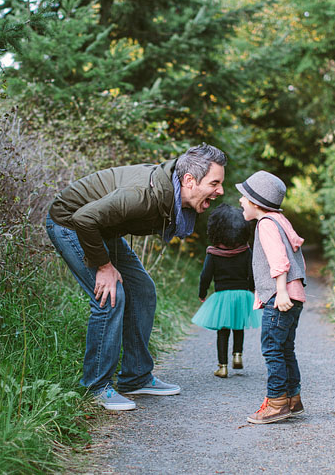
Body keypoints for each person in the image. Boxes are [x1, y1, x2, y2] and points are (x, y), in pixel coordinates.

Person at [45, 144, 227, 411]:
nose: (220, 190)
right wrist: (104, 266)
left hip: (100, 228)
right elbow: (84, 219)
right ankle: (96, 387)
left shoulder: (171, 192)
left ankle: (136, 376)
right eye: (215, 183)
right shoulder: (143, 195)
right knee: (111, 295)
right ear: (189, 180)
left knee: (142, 290)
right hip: (71, 223)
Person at [237, 170, 307, 424]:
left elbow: (279, 259)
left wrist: (280, 291)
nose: (241, 202)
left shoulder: (266, 224)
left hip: (280, 297)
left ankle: (277, 403)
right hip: (293, 295)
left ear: (256, 202)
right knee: (285, 348)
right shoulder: (280, 220)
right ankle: (292, 399)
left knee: (272, 349)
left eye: (243, 197)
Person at [191, 204, 260, 378]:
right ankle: (238, 355)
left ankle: (222, 366)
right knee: (239, 326)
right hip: (242, 293)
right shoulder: (245, 251)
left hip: (222, 295)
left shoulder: (213, 253)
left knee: (222, 331)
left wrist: (202, 292)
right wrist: (251, 289)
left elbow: (205, 276)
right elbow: (252, 273)